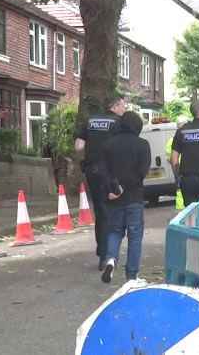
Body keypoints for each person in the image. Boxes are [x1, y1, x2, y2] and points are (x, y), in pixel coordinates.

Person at [74, 91, 125, 271]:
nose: (123, 109)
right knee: (112, 211)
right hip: (109, 172)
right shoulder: (119, 123)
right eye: (122, 106)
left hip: (91, 171)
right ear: (115, 106)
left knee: (99, 210)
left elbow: (79, 146)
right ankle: (107, 254)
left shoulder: (90, 121)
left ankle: (102, 250)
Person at [100, 112, 151, 283]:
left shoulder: (108, 145)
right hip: (133, 198)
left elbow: (103, 171)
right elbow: (141, 172)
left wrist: (111, 189)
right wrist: (124, 186)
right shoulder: (142, 145)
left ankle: (110, 260)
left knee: (115, 231)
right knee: (135, 236)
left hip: (113, 198)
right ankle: (132, 276)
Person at [165, 115, 189, 210]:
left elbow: (169, 157)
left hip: (179, 170)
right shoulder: (187, 136)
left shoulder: (172, 139)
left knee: (180, 191)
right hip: (186, 168)